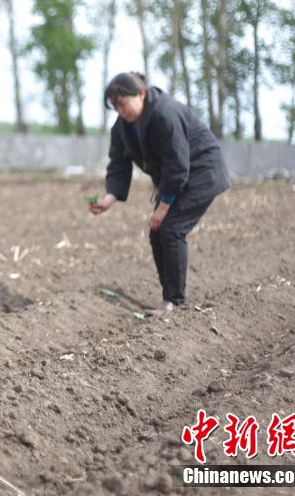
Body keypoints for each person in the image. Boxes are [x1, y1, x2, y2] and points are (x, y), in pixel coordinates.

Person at [89, 72, 230, 315]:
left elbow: (177, 164)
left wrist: (164, 207)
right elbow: (118, 165)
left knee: (170, 229)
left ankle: (173, 301)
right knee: (158, 232)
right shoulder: (122, 127)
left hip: (201, 174)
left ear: (141, 94)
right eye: (115, 107)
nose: (120, 111)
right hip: (177, 178)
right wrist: (109, 198)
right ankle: (170, 297)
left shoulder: (165, 114)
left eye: (123, 104)